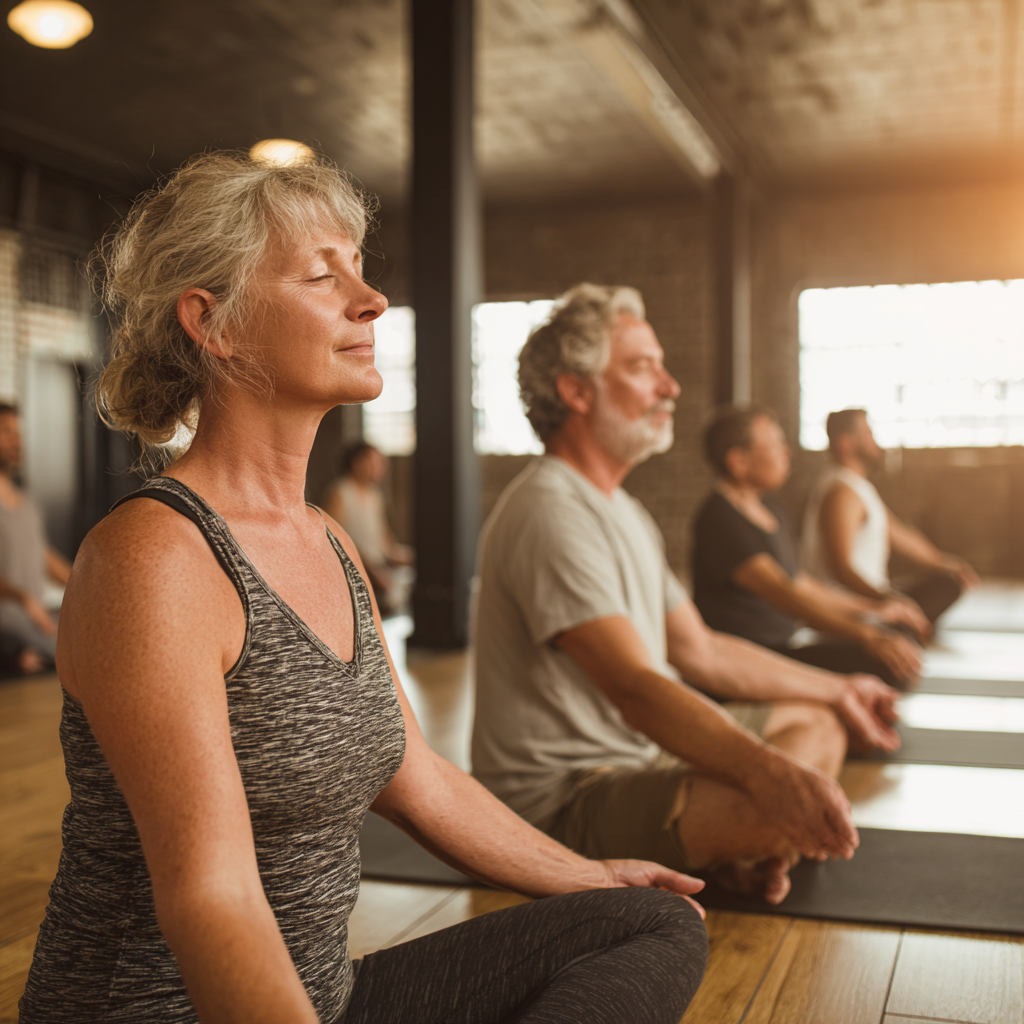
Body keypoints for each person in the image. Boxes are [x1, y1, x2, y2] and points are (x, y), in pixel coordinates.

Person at [19, 152, 710, 1024]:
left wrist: (590, 876)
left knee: (648, 923)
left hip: (324, 1000)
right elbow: (211, 895)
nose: (371, 298)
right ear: (214, 323)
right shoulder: (153, 556)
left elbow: (413, 773)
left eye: (357, 265)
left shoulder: (331, 543)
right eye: (321, 273)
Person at [472, 284, 898, 908]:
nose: (670, 387)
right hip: (563, 805)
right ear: (577, 390)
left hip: (638, 761)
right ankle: (737, 844)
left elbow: (701, 650)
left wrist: (839, 686)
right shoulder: (549, 510)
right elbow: (636, 688)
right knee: (790, 787)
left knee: (821, 721)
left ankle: (732, 851)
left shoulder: (625, 511)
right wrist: (769, 776)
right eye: (643, 367)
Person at [692, 406, 927, 688]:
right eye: (776, 444)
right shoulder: (720, 519)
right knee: (880, 661)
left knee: (898, 636)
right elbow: (783, 593)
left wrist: (875, 609)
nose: (787, 452)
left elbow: (801, 583)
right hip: (749, 658)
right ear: (739, 461)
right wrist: (866, 634)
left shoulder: (772, 509)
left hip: (785, 644)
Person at [802, 408, 978, 624]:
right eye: (867, 434)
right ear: (845, 443)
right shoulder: (842, 493)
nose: (875, 440)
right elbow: (842, 571)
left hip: (872, 593)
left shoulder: (858, 487)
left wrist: (946, 563)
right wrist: (889, 600)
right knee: (912, 614)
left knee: (946, 583)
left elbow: (900, 534)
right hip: (850, 608)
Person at [0, 403, 71, 665]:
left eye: (18, 432)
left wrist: (83, 585)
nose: (16, 440)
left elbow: (42, 556)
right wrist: (23, 598)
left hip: (35, 615)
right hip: (9, 615)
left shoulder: (27, 503)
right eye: (6, 432)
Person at [323, 441, 413, 615]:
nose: (382, 468)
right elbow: (332, 541)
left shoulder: (375, 495)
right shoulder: (340, 493)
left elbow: (385, 542)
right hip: (357, 570)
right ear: (357, 463)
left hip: (379, 568)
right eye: (375, 462)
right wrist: (371, 570)